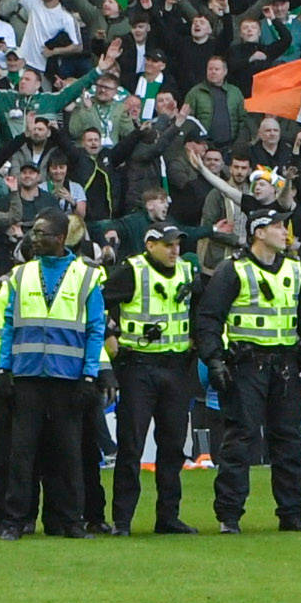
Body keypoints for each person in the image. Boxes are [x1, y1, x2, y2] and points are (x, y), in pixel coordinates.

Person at [0, 212, 107, 538]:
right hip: (27, 377)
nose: (32, 239)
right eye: (32, 233)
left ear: (60, 238)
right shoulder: (19, 275)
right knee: (21, 455)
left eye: (39, 234)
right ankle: (14, 522)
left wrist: (89, 376)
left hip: (68, 379)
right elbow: (8, 325)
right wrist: (2, 369)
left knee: (67, 455)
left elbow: (95, 331)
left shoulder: (88, 276)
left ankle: (68, 522)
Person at [200, 208, 301, 532]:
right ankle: (230, 515)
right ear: (259, 232)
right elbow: (209, 318)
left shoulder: (295, 270)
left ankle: (292, 513)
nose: (285, 232)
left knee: (289, 441)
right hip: (247, 365)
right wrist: (214, 358)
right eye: (278, 226)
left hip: (284, 366)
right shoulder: (233, 270)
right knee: (240, 440)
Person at [107, 215, 204, 534]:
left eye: (177, 244)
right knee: (131, 445)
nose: (175, 250)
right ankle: (122, 520)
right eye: (168, 245)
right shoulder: (132, 269)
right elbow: (100, 302)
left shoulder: (189, 272)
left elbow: (200, 308)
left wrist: (196, 339)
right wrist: (111, 334)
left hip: (177, 368)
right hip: (139, 368)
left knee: (173, 446)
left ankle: (168, 516)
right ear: (150, 245)